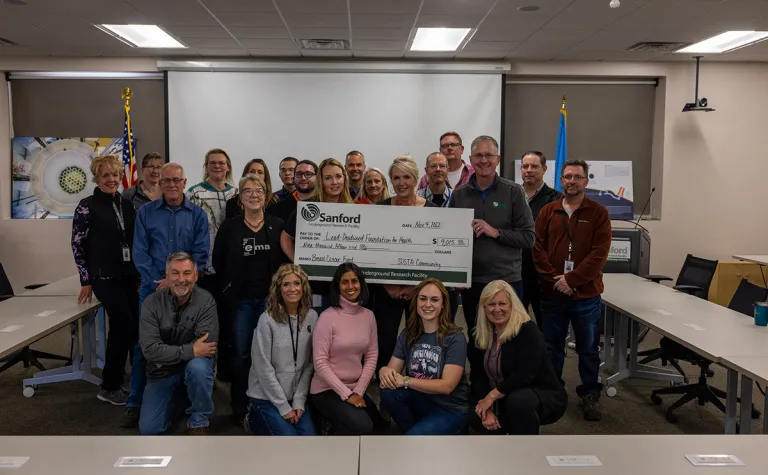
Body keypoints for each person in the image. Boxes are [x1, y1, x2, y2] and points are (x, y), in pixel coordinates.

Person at [447, 135, 535, 387]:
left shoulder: (513, 191)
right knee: (478, 343)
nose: (483, 160)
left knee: (509, 342)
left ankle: (509, 392)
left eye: (489, 155)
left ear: (498, 159)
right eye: (478, 156)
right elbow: (451, 240)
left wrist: (494, 231)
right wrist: (456, 275)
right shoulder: (460, 194)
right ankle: (479, 393)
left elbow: (529, 238)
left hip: (507, 282)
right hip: (473, 283)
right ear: (471, 160)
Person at [127, 162, 209, 428]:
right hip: (153, 292)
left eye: (176, 180)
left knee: (191, 344)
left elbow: (201, 253)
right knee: (143, 348)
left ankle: (185, 397)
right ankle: (134, 403)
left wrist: (179, 281)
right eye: (166, 181)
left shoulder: (197, 214)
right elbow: (140, 251)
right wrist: (160, 281)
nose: (171, 185)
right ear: (159, 183)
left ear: (185, 183)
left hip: (189, 293)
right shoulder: (146, 213)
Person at [533, 159, 611, 422]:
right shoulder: (547, 211)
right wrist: (556, 280)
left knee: (588, 348)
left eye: (577, 177)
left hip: (585, 296)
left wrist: (572, 280)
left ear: (586, 181)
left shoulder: (598, 213)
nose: (572, 181)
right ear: (561, 180)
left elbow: (598, 255)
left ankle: (590, 393)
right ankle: (554, 391)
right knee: (551, 347)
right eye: (567, 177)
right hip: (552, 294)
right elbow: (538, 249)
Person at [212, 174, 288, 425]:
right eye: (248, 191)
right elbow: (218, 262)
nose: (254, 195)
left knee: (272, 354)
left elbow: (288, 260)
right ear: (240, 197)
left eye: (259, 190)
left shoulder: (278, 225)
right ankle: (239, 404)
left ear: (266, 196)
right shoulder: (230, 227)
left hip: (272, 302)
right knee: (243, 354)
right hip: (241, 301)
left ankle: (270, 401)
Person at [71, 154, 139, 406]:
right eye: (106, 175)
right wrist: (85, 279)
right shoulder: (87, 205)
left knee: (135, 326)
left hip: (128, 275)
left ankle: (132, 377)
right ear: (96, 178)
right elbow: (77, 244)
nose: (112, 179)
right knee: (122, 324)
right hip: (103, 276)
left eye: (115, 174)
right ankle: (109, 385)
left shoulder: (125, 203)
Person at [470, 280, 567, 435]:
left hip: (538, 393)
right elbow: (478, 377)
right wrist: (486, 409)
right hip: (501, 396)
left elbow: (525, 376)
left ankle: (526, 449)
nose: (497, 309)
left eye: (502, 303)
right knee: (472, 412)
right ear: (484, 308)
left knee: (518, 402)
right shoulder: (480, 335)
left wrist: (491, 397)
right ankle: (502, 434)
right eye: (491, 304)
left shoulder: (528, 330)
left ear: (512, 305)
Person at [372, 156, 440, 372]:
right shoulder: (379, 209)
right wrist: (387, 285)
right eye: (396, 178)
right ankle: (385, 383)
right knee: (386, 338)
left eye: (407, 177)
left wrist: (416, 288)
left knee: (420, 338)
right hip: (386, 290)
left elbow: (435, 255)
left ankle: (418, 381)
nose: (401, 183)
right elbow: (373, 250)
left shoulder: (433, 210)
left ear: (416, 179)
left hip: (420, 291)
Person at [138, 252, 218, 435]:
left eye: (187, 273)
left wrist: (179, 353)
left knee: (199, 367)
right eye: (175, 273)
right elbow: (150, 350)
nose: (181, 279)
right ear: (166, 276)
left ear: (196, 275)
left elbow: (207, 348)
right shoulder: (151, 303)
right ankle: (181, 398)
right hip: (161, 371)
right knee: (149, 430)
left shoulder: (206, 302)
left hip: (191, 367)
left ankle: (199, 421)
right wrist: (191, 350)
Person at [379, 278, 469, 435]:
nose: (428, 304)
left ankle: (427, 433)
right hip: (422, 401)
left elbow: (447, 386)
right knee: (388, 390)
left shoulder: (455, 337)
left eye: (434, 300)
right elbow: (391, 372)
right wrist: (384, 371)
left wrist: (405, 380)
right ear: (416, 302)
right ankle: (416, 431)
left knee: (415, 438)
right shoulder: (408, 333)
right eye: (423, 298)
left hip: (449, 409)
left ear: (443, 305)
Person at [245, 264, 318, 436]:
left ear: (303, 287)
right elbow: (262, 368)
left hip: (295, 396)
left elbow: (310, 364)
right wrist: (283, 406)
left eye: (297, 283)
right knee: (290, 441)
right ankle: (253, 419)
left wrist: (299, 401)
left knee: (310, 440)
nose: (292, 289)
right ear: (278, 289)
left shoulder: (312, 317)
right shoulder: (266, 320)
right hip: (266, 397)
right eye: (286, 284)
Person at [310, 263, 379, 435]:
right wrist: (347, 395)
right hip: (327, 389)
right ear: (337, 286)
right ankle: (325, 426)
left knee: (379, 425)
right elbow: (319, 362)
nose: (350, 286)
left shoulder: (368, 316)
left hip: (355, 388)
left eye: (354, 281)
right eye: (344, 282)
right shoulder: (327, 317)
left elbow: (371, 355)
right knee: (363, 426)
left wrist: (358, 391)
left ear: (361, 284)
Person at [520, 151, 561, 330]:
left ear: (544, 169)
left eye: (534, 166)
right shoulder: (512, 195)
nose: (529, 170)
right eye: (525, 166)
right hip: (516, 273)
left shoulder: (556, 199)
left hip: (543, 276)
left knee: (548, 331)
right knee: (515, 329)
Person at [186, 148, 237, 280]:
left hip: (232, 263)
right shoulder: (194, 194)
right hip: (204, 266)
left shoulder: (237, 194)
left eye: (221, 163)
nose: (217, 166)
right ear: (206, 167)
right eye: (212, 163)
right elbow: (187, 230)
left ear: (228, 167)